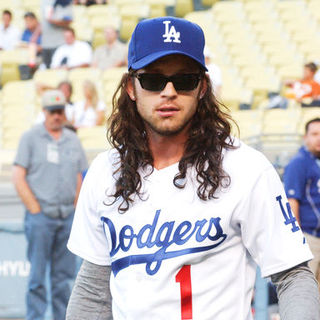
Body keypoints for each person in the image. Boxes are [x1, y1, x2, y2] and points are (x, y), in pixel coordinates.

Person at [66, 17, 320, 320]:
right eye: (153, 79)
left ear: (202, 87)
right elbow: (93, 291)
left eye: (184, 80)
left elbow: (293, 276)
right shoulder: (104, 172)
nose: (169, 91)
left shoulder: (246, 168)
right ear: (131, 87)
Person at [12, 90, 88, 320]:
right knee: (37, 277)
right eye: (53, 112)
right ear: (44, 112)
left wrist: (76, 208)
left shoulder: (72, 139)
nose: (57, 116)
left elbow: (79, 175)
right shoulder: (30, 138)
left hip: (66, 216)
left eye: (60, 111)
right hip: (41, 216)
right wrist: (34, 208)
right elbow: (18, 175)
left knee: (63, 278)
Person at [284, 118, 320, 290]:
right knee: (307, 292)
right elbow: (292, 202)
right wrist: (297, 238)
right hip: (309, 237)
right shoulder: (298, 163)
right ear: (306, 137)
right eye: (314, 134)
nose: (319, 139)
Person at [41, 0, 73, 68]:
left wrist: (52, 21)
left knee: (59, 68)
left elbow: (69, 20)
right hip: (45, 43)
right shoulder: (44, 1)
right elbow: (43, 21)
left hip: (59, 42)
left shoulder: (66, 2)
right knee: (47, 70)